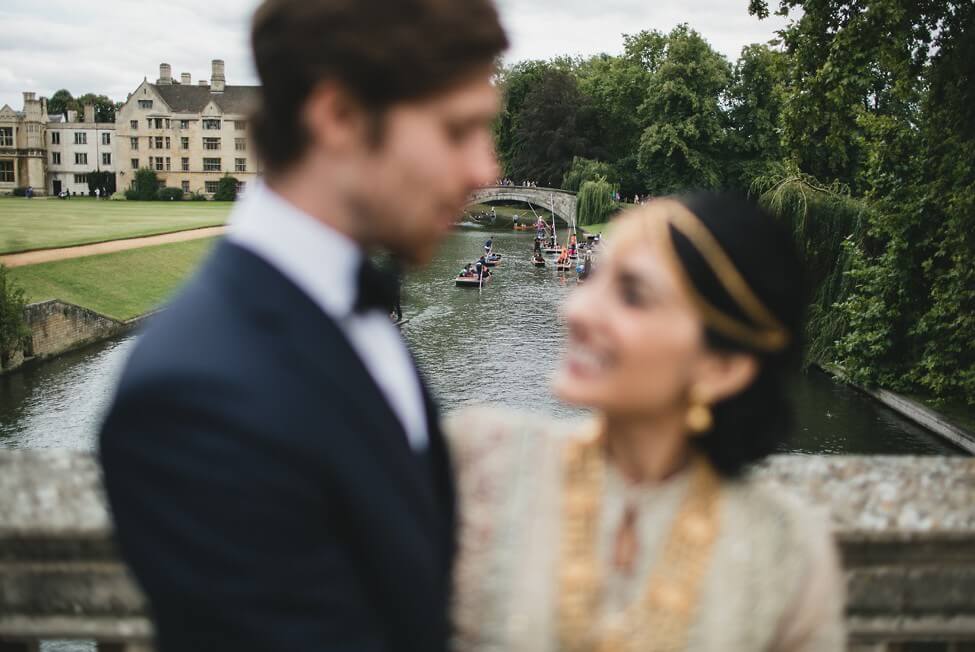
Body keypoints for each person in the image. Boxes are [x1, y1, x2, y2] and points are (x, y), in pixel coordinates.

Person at [98, 1, 507, 650]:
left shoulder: (343, 305)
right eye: (457, 131)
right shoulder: (193, 399)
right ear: (339, 116)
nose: (486, 170)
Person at [445, 194, 845, 651]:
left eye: (633, 294)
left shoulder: (789, 555)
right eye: (595, 278)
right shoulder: (477, 461)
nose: (574, 311)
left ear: (721, 366)